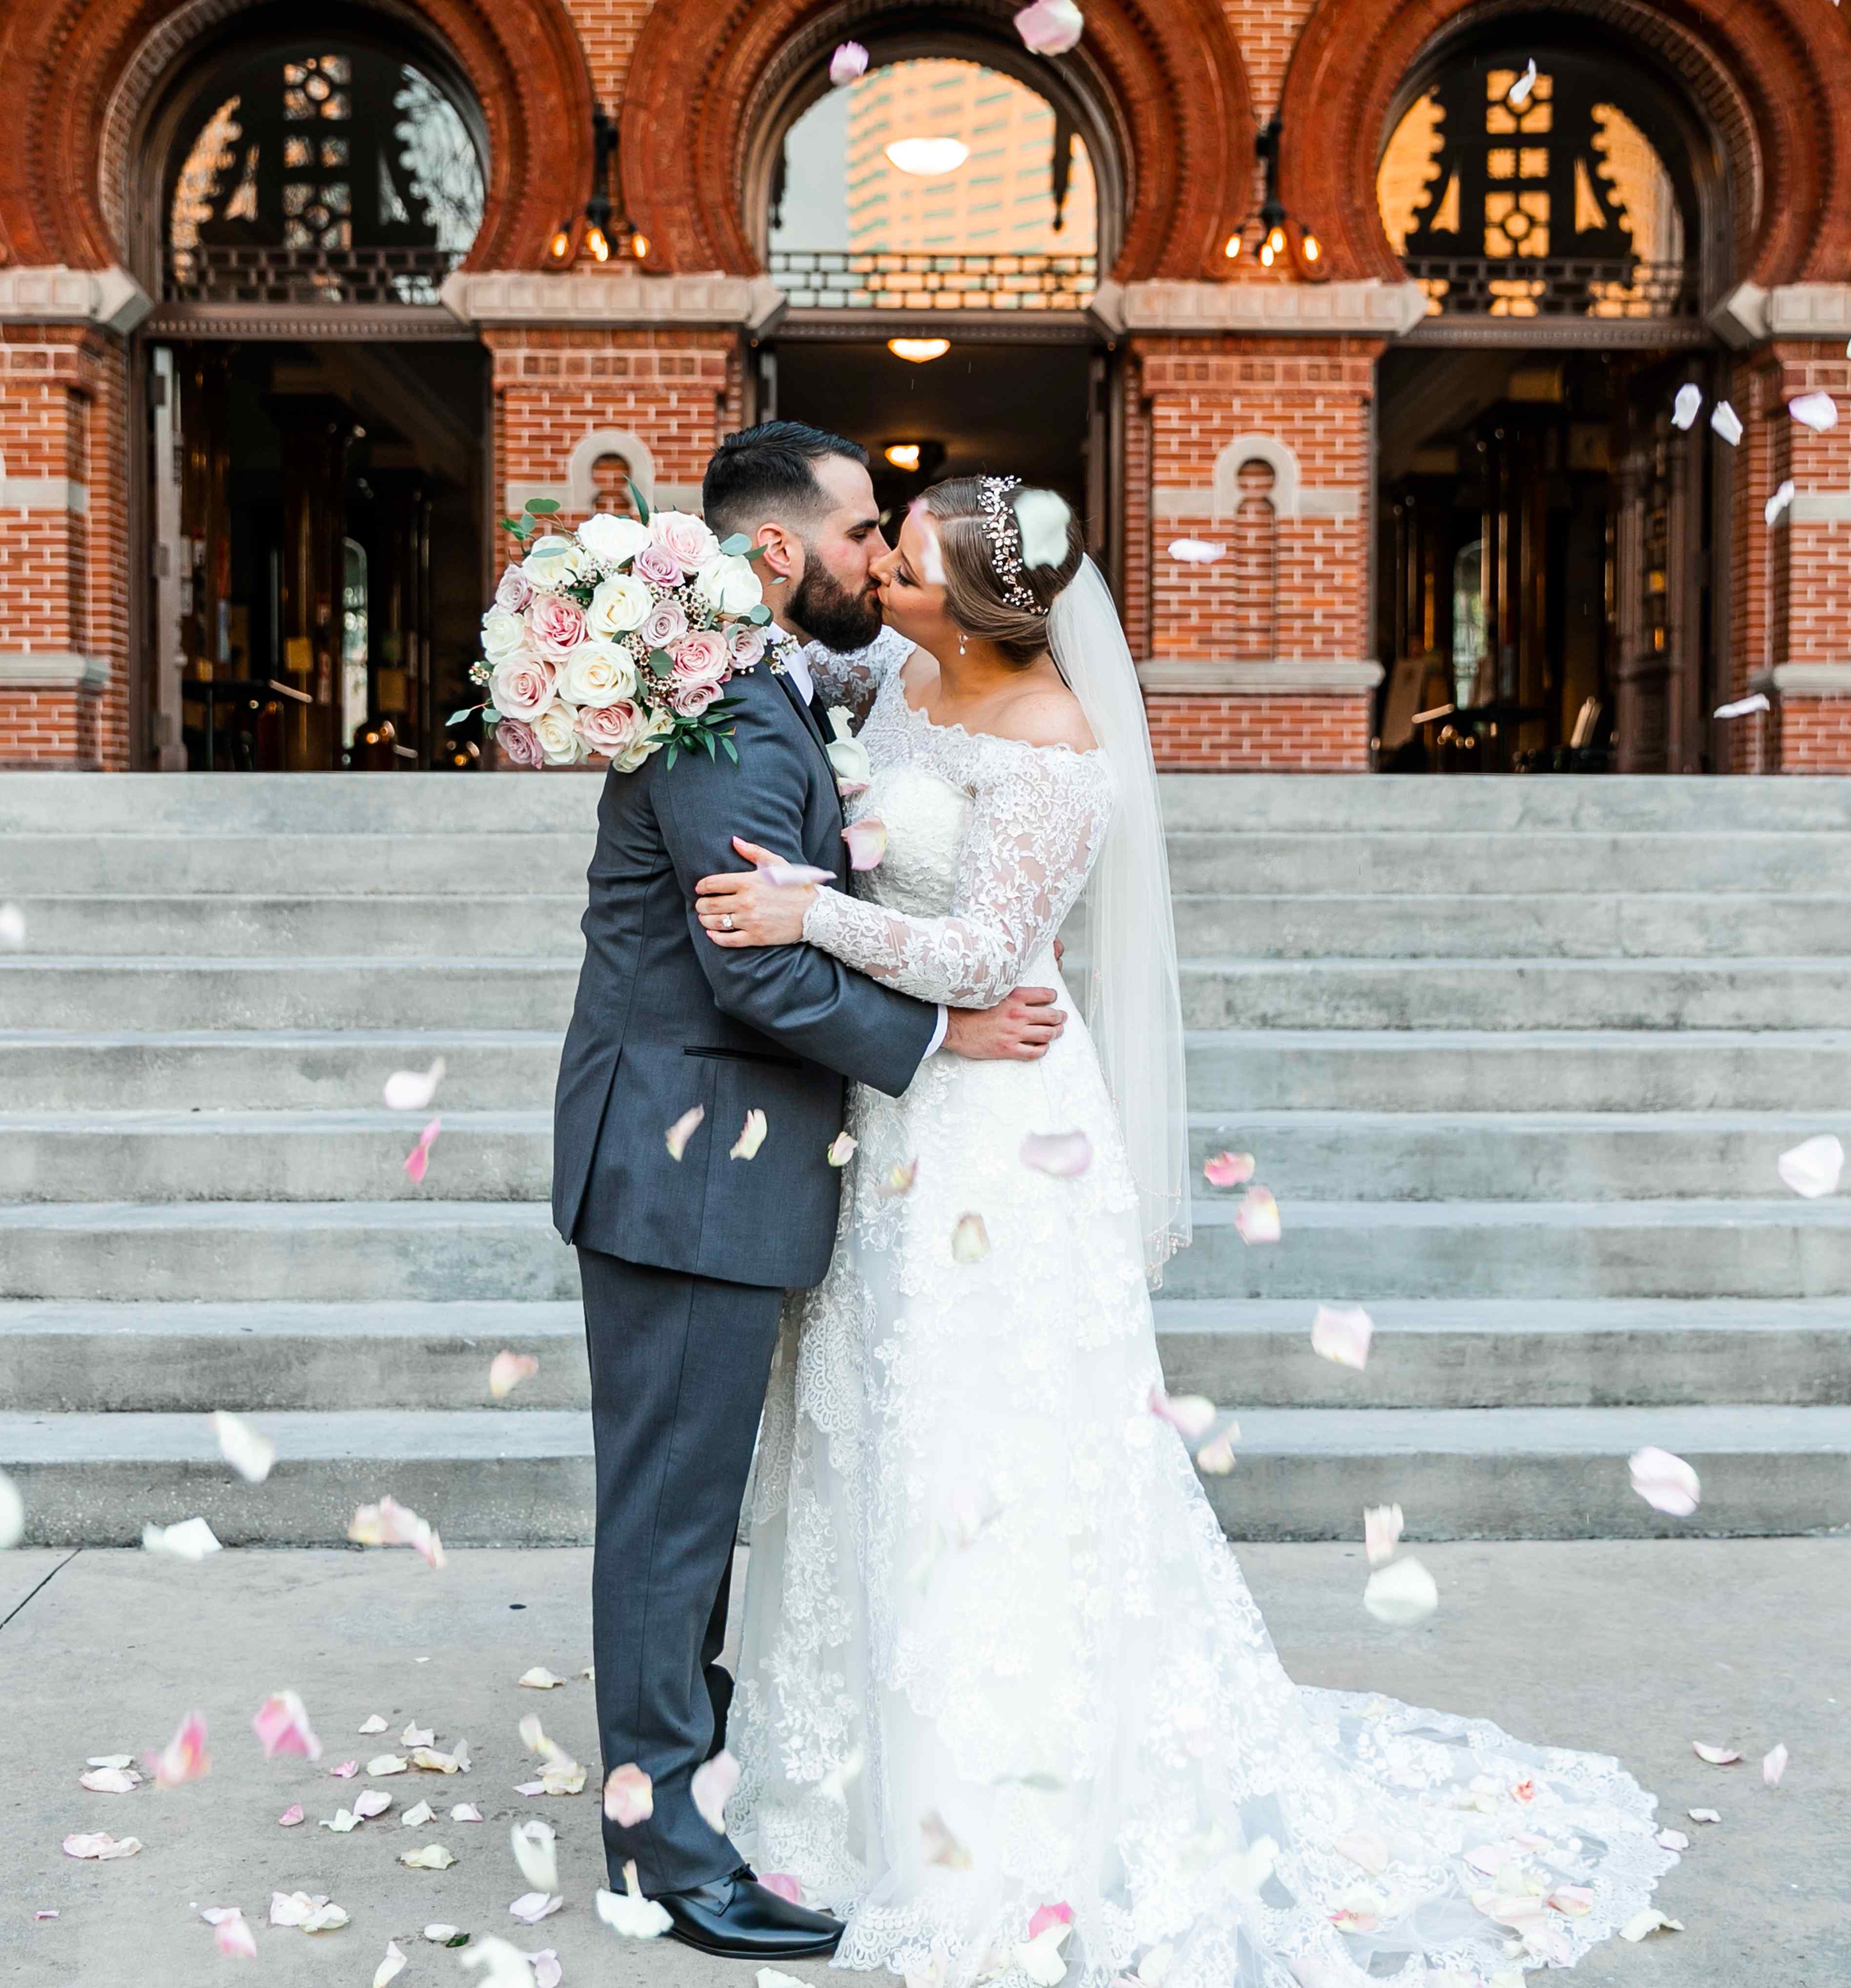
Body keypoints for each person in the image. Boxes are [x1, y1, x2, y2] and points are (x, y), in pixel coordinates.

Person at [689, 469, 1678, 1985]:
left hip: (1002, 1136)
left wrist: (807, 911)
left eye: (909, 565)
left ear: (980, 608)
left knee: (989, 1444)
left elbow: (986, 954)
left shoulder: (1059, 749)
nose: (880, 574)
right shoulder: (894, 673)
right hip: (891, 1124)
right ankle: (840, 1783)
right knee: (875, 1429)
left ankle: (996, 1816)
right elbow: (786, 636)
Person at [549, 423, 1073, 1960]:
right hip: (684, 1161)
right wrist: (944, 1033)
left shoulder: (767, 674)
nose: (877, 561)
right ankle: (665, 1850)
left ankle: (685, 1774)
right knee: (670, 1520)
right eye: (861, 535)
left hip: (717, 1158)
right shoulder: (722, 707)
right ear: (778, 552)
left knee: (689, 1509)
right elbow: (749, 957)